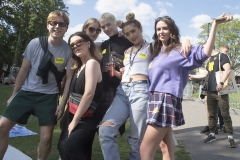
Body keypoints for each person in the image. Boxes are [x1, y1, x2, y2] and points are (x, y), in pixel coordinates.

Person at [140, 13, 233, 160]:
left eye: (165, 28)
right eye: (158, 29)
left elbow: (205, 52)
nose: (161, 32)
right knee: (165, 147)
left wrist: (214, 24)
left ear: (172, 31)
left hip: (165, 99)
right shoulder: (157, 51)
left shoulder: (180, 50)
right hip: (155, 99)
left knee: (145, 150)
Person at [0, 10, 74, 160]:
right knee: (2, 127)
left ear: (66, 28)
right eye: (53, 23)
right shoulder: (35, 43)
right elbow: (24, 70)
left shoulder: (69, 51)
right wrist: (14, 94)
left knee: (47, 137)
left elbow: (68, 81)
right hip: (26, 92)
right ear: (48, 25)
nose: (57, 27)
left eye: (61, 24)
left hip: (49, 97)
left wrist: (62, 104)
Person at [98, 13, 150, 160]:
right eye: (127, 33)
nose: (131, 36)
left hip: (141, 91)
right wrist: (117, 73)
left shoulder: (152, 47)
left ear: (140, 28)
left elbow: (170, 48)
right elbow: (127, 73)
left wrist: (184, 40)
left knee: (136, 141)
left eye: (133, 31)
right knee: (105, 130)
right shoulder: (127, 52)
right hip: (122, 90)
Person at [57, 32, 103, 160]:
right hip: (73, 112)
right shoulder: (78, 67)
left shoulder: (92, 64)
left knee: (69, 146)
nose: (76, 46)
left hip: (86, 116)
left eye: (79, 42)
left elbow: (89, 94)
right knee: (71, 148)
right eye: (72, 45)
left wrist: (75, 121)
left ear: (88, 43)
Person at [97, 12, 133, 135]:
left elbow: (140, 39)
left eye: (108, 24)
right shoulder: (105, 44)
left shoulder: (127, 39)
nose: (106, 29)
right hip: (107, 87)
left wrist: (126, 31)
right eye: (103, 27)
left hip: (124, 86)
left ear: (115, 22)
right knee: (106, 123)